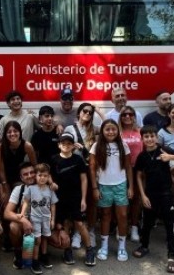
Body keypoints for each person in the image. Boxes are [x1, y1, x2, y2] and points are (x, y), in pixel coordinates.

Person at [4, 162, 70, 268]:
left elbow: (56, 206)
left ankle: (41, 253)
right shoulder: (19, 189)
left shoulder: (48, 188)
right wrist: (24, 221)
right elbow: (7, 213)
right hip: (27, 224)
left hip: (43, 221)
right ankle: (18, 252)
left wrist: (59, 226)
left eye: (31, 172)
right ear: (21, 177)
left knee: (64, 241)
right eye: (25, 174)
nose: (29, 175)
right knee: (13, 227)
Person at [133, 125, 174, 273]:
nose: (150, 139)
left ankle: (172, 257)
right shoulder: (142, 156)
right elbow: (139, 175)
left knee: (169, 225)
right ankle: (144, 246)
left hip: (166, 194)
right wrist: (142, 195)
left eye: (152, 136)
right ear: (142, 139)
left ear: (156, 137)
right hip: (149, 195)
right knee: (146, 224)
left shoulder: (164, 150)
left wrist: (170, 157)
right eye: (146, 136)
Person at [89, 119, 133, 261]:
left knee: (122, 216)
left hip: (120, 185)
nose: (110, 132)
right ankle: (104, 246)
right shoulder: (96, 146)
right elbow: (92, 168)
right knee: (105, 215)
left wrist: (131, 186)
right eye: (107, 129)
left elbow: (128, 167)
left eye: (113, 129)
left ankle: (122, 247)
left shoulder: (123, 145)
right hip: (103, 185)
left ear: (117, 130)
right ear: (102, 131)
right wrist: (95, 188)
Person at [50, 132, 95, 266]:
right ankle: (67, 250)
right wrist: (51, 182)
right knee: (65, 224)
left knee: (80, 224)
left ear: (73, 146)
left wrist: (83, 199)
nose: (66, 145)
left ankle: (89, 249)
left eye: (69, 143)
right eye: (63, 143)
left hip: (75, 196)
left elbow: (83, 179)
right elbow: (48, 175)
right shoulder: (54, 159)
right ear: (59, 145)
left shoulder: (77, 159)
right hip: (59, 198)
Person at [64, 102, 100, 247]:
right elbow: (63, 146)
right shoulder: (69, 128)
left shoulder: (95, 129)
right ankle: (78, 232)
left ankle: (90, 229)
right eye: (85, 111)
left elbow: (112, 126)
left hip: (91, 169)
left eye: (91, 112)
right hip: (74, 169)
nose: (87, 114)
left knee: (91, 202)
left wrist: (99, 111)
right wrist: (72, 147)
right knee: (77, 202)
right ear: (78, 112)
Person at [21, 163, 58, 275]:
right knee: (37, 240)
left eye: (45, 176)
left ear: (48, 177)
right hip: (35, 218)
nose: (42, 178)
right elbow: (26, 202)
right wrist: (22, 214)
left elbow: (53, 205)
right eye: (40, 175)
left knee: (45, 237)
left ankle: (44, 255)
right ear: (35, 176)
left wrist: (52, 220)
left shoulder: (50, 189)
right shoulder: (31, 189)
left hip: (46, 218)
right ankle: (35, 261)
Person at [0, 121, 37, 205]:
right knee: (5, 201)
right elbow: (0, 169)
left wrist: (35, 183)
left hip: (18, 176)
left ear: (20, 132)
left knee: (21, 199)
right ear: (5, 134)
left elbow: (35, 166)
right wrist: (5, 187)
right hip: (2, 178)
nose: (12, 134)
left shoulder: (27, 145)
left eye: (15, 131)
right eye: (9, 132)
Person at [119, 105, 143, 242]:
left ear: (134, 116)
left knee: (136, 200)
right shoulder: (117, 133)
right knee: (122, 200)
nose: (127, 116)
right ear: (120, 117)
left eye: (130, 114)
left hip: (138, 170)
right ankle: (122, 227)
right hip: (121, 171)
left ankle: (134, 227)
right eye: (124, 114)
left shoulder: (140, 132)